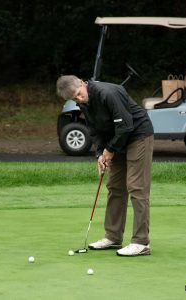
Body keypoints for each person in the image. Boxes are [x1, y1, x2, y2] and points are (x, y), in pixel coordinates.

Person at [56, 75, 154, 257]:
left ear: (82, 83)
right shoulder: (84, 102)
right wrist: (100, 154)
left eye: (78, 94)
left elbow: (125, 126)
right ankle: (113, 237)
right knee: (115, 187)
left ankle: (141, 242)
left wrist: (109, 151)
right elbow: (95, 130)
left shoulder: (108, 92)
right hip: (116, 140)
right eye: (74, 99)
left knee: (136, 187)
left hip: (138, 135)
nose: (79, 99)